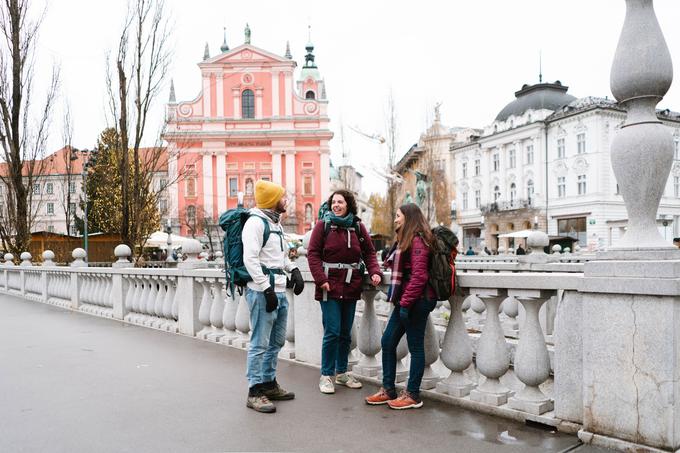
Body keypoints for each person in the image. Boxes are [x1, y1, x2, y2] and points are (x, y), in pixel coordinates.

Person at [308, 190, 383, 394]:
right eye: (333, 202)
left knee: (345, 333)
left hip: (351, 285)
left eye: (340, 202)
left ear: (348, 204)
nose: (336, 206)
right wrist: (321, 279)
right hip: (329, 286)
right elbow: (312, 253)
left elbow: (369, 252)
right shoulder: (323, 226)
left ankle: (341, 373)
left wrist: (374, 271)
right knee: (332, 331)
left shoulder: (357, 226)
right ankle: (326, 375)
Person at [365, 203, 436, 410]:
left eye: (398, 216)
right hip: (406, 299)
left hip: (418, 300)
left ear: (408, 217)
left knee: (415, 347)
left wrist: (405, 304)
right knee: (387, 342)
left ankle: (413, 394)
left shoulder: (418, 239)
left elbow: (419, 276)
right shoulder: (405, 239)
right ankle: (388, 389)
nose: (395, 219)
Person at [242, 180, 304, 413]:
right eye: (282, 197)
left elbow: (280, 256)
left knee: (276, 341)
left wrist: (293, 270)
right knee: (259, 343)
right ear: (271, 200)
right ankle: (254, 390)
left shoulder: (275, 224)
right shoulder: (255, 223)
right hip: (262, 293)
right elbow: (251, 259)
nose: (285, 200)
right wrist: (265, 288)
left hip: (279, 290)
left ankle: (268, 383)